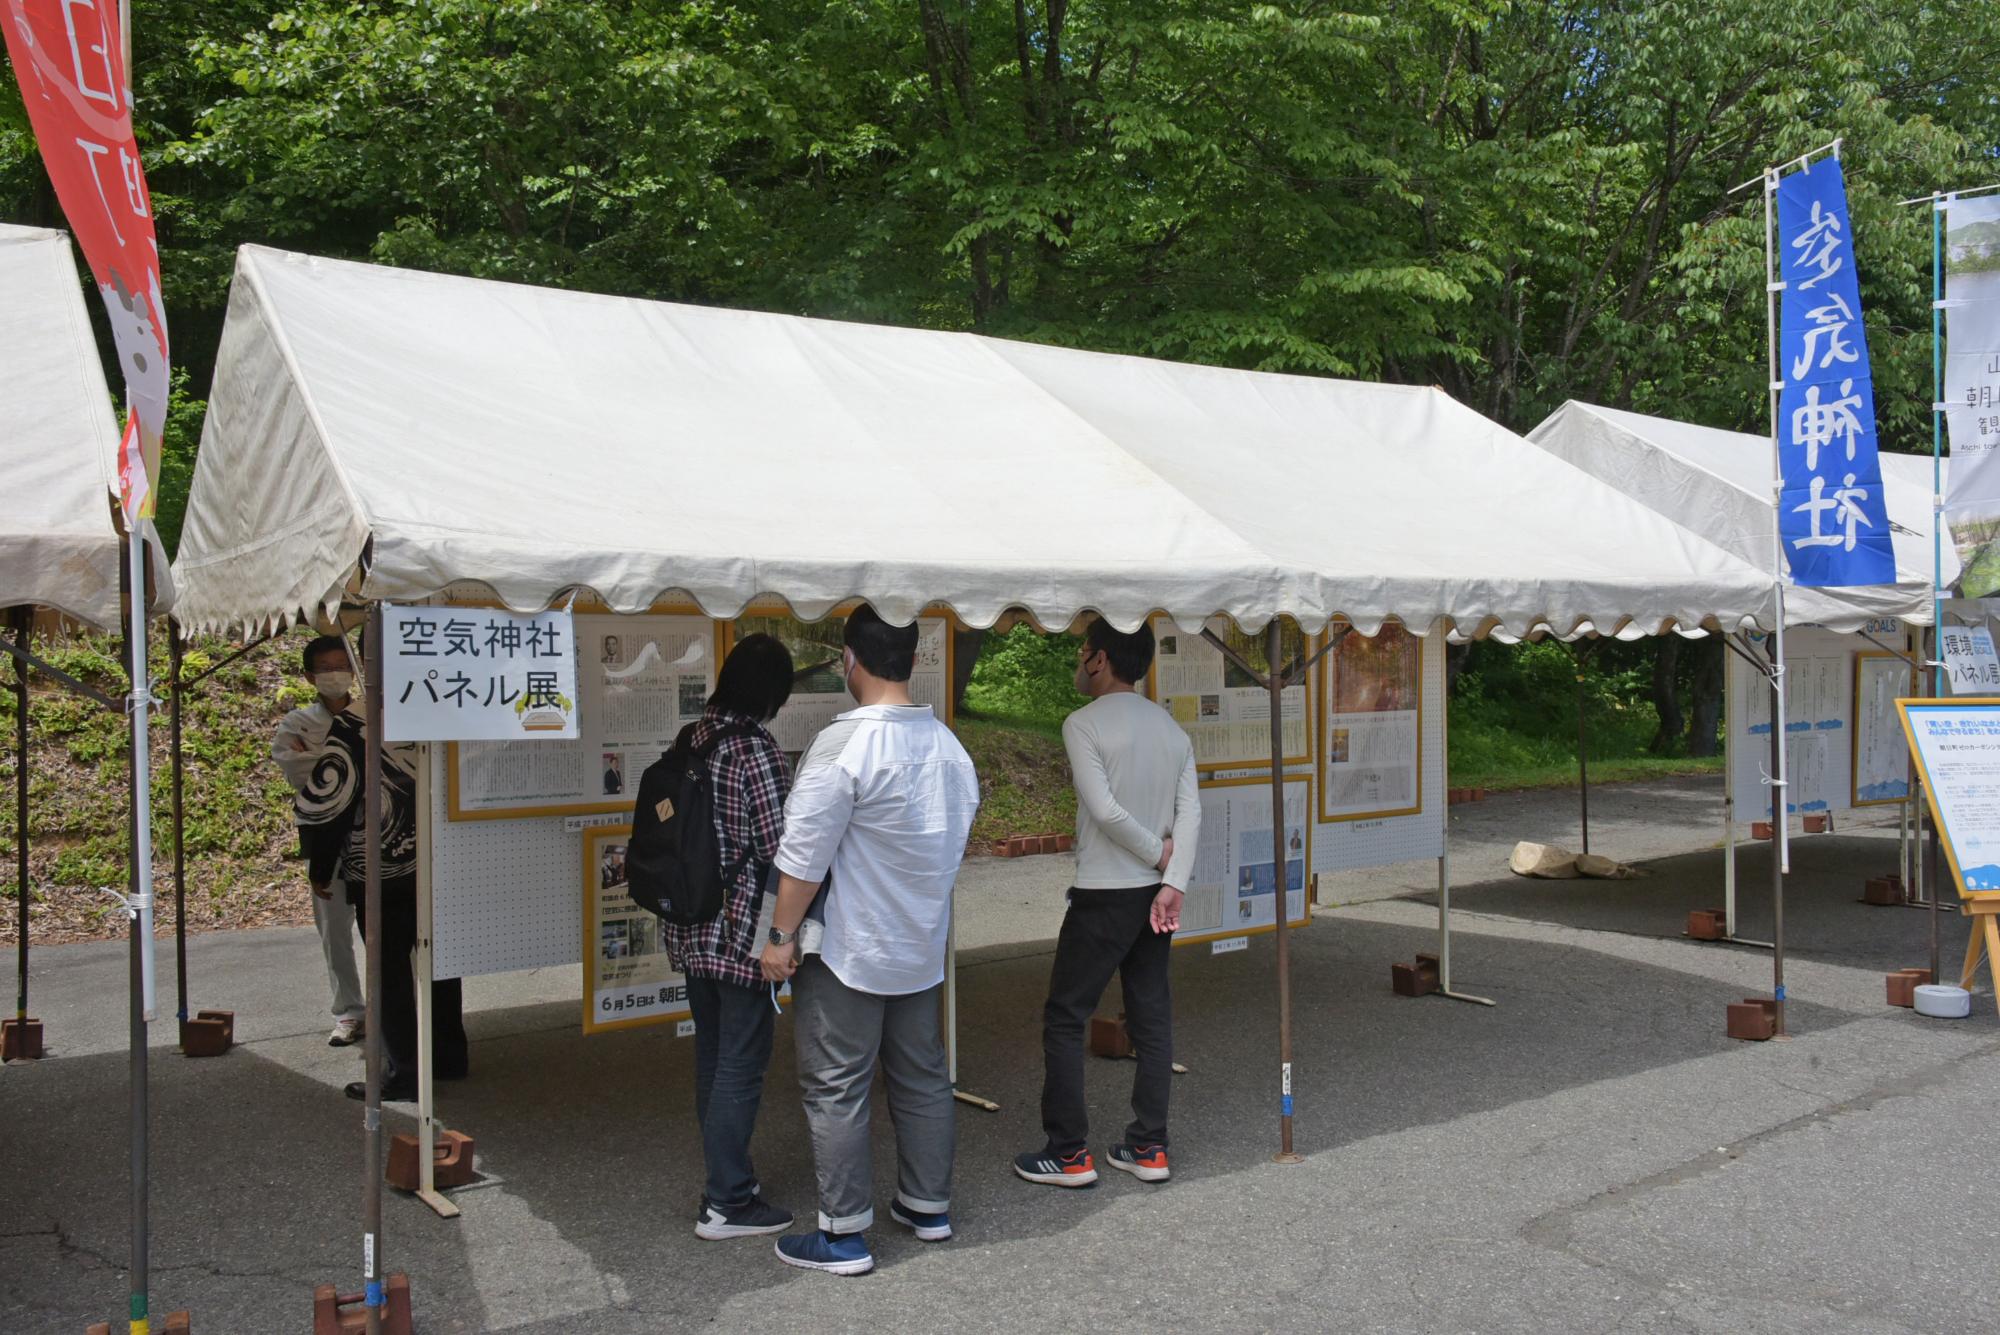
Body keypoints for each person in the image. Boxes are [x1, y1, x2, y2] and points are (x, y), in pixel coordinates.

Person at [759, 606, 980, 1276]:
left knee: (837, 1083)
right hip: (920, 947)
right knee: (920, 1077)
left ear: (850, 659)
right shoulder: (950, 747)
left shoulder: (843, 744)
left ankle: (842, 1233)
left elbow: (802, 859)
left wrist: (777, 936)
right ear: (913, 660)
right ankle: (926, 1204)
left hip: (850, 949)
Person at [1015, 618, 1197, 1188]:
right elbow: (1191, 813)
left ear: (1099, 659)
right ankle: (1150, 1147)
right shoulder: (1171, 728)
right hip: (1154, 896)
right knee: (1152, 1016)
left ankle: (1069, 1152)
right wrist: (1173, 878)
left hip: (1103, 893)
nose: (1078, 660)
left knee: (1066, 1017)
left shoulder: (1083, 724)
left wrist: (1156, 860)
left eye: (1081, 651)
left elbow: (1105, 810)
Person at [276, 632, 468, 1102]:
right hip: (437, 859)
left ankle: (404, 1071)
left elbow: (329, 802)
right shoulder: (439, 707)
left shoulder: (355, 723)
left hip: (380, 869)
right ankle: (449, 1056)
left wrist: (321, 867)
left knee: (390, 970)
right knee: (440, 962)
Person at [657, 632, 799, 1241]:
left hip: (690, 924)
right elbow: (779, 848)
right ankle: (727, 1202)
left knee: (713, 1057)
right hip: (743, 932)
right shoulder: (755, 751)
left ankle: (725, 1180)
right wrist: (783, 932)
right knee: (742, 1063)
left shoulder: (692, 737)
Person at [270, 636, 368, 1047]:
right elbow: (297, 773)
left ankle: (396, 1009)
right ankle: (349, 1011)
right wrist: (351, 764)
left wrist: (324, 761)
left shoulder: (371, 714)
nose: (335, 674)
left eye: (341, 665)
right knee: (334, 929)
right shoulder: (296, 722)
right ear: (309, 676)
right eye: (325, 668)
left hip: (375, 833)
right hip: (324, 838)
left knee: (384, 930)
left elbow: (375, 770)